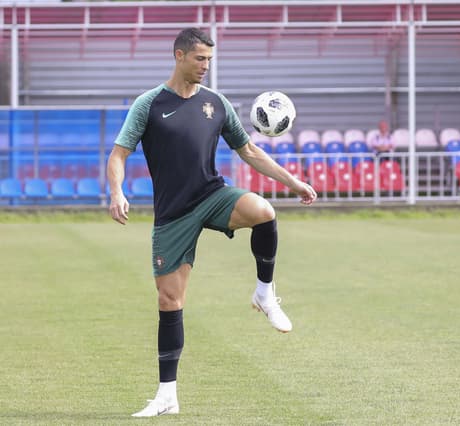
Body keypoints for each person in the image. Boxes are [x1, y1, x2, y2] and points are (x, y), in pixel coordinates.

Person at [107, 27, 317, 417]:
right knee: (170, 301)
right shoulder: (149, 104)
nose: (206, 66)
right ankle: (167, 395)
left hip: (211, 196)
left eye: (210, 60)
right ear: (179, 55)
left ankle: (264, 293)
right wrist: (117, 192)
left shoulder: (216, 103)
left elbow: (249, 151)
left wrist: (293, 181)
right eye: (200, 59)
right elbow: (118, 154)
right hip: (173, 213)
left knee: (264, 211)